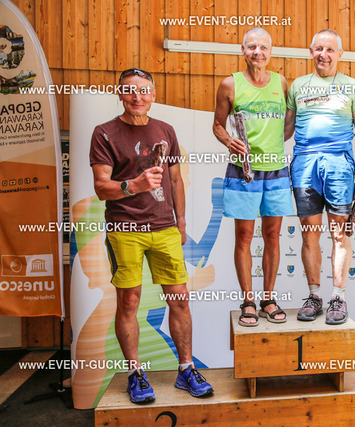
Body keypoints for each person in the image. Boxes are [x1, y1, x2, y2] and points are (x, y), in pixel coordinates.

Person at [90, 68, 213, 403]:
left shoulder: (165, 130)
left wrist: (181, 221)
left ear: (153, 95)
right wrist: (134, 185)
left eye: (144, 90)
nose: (137, 97)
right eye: (130, 90)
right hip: (125, 229)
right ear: (120, 94)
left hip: (164, 228)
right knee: (129, 301)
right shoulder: (104, 133)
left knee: (180, 299)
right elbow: (101, 188)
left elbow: (175, 180)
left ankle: (186, 369)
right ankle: (136, 373)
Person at [284, 29, 355, 325]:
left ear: (339, 54)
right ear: (311, 52)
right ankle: (314, 296)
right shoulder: (298, 85)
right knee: (309, 234)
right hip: (304, 165)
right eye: (319, 49)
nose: (324, 54)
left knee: (339, 234)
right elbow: (286, 131)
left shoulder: (352, 86)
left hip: (339, 166)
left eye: (330, 49)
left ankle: (338, 298)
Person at [213, 28, 293, 326]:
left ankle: (268, 299)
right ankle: (248, 300)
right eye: (251, 47)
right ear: (243, 50)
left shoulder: (281, 82)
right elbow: (217, 125)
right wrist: (229, 141)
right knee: (244, 236)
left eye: (263, 47)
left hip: (276, 171)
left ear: (271, 51)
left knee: (272, 235)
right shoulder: (229, 84)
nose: (257, 52)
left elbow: (289, 124)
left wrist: (272, 145)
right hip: (242, 171)